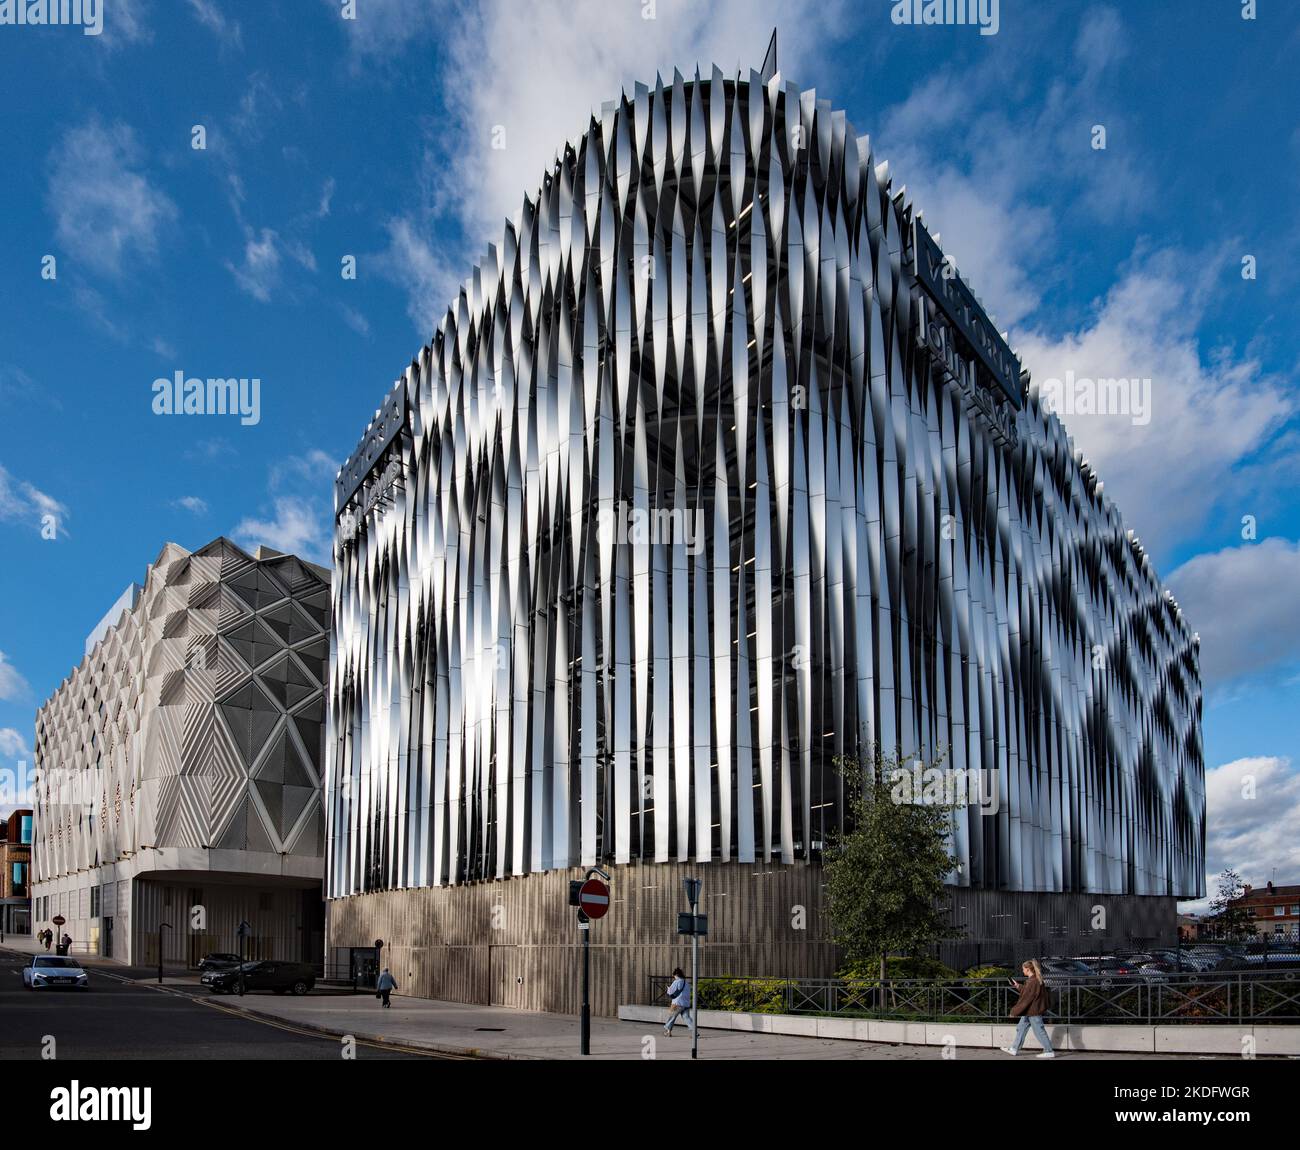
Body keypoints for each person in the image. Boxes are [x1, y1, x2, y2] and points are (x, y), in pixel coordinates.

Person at [1001, 958, 1056, 1058]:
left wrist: (1014, 1012)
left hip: (1033, 1012)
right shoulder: (1034, 980)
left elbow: (1025, 999)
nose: (1022, 971)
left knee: (1039, 1031)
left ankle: (1049, 1051)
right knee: (1021, 1028)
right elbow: (1027, 992)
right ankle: (1014, 1048)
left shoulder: (1032, 981)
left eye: (1023, 969)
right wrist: (1017, 985)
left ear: (1027, 969)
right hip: (1030, 1011)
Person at [663, 967, 693, 1036]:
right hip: (686, 1004)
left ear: (676, 975)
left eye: (674, 976)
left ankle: (668, 1032)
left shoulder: (676, 982)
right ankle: (695, 1033)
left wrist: (668, 989)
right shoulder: (686, 983)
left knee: (671, 1017)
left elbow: (670, 992)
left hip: (677, 1003)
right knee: (687, 1018)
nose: (674, 977)